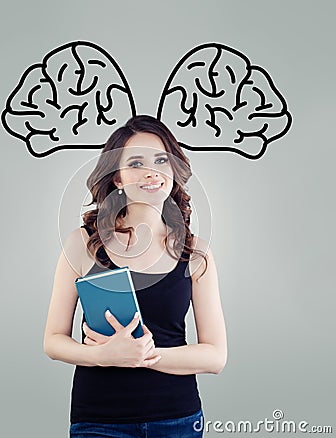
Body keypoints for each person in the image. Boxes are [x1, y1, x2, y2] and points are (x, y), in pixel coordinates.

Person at [43, 115, 227, 437]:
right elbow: (53, 341)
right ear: (117, 178)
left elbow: (215, 356)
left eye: (160, 160)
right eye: (136, 163)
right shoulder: (83, 244)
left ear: (173, 170)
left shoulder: (196, 253)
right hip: (98, 419)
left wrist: (143, 356)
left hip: (178, 419)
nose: (151, 171)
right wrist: (100, 356)